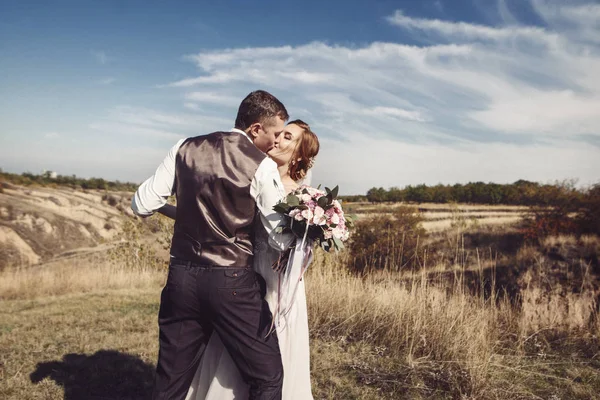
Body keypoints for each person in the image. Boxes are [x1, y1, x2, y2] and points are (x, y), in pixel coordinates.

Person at [131, 90, 295, 400]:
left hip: (181, 278)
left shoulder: (184, 147)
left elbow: (143, 203)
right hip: (231, 284)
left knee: (170, 382)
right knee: (268, 376)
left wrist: (184, 215)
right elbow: (279, 234)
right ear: (255, 128)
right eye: (274, 134)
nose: (276, 142)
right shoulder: (261, 165)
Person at [185, 120, 320, 400]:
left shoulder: (305, 195)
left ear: (298, 153)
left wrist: (298, 251)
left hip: (284, 278)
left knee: (280, 343)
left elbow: (307, 243)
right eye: (278, 133)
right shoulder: (254, 175)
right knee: (239, 340)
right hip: (248, 271)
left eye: (287, 137)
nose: (277, 139)